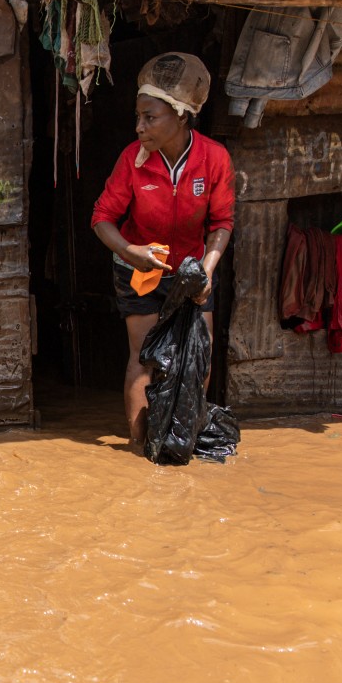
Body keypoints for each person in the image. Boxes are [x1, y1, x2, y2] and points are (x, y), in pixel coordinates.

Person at [90, 52, 235, 448]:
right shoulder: (131, 162)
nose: (139, 127)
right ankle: (140, 446)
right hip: (138, 268)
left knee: (198, 354)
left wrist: (206, 269)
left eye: (149, 118)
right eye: (138, 117)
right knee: (143, 358)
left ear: (181, 115)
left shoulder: (214, 159)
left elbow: (222, 223)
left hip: (191, 269)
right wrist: (131, 250)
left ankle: (181, 441)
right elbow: (102, 217)